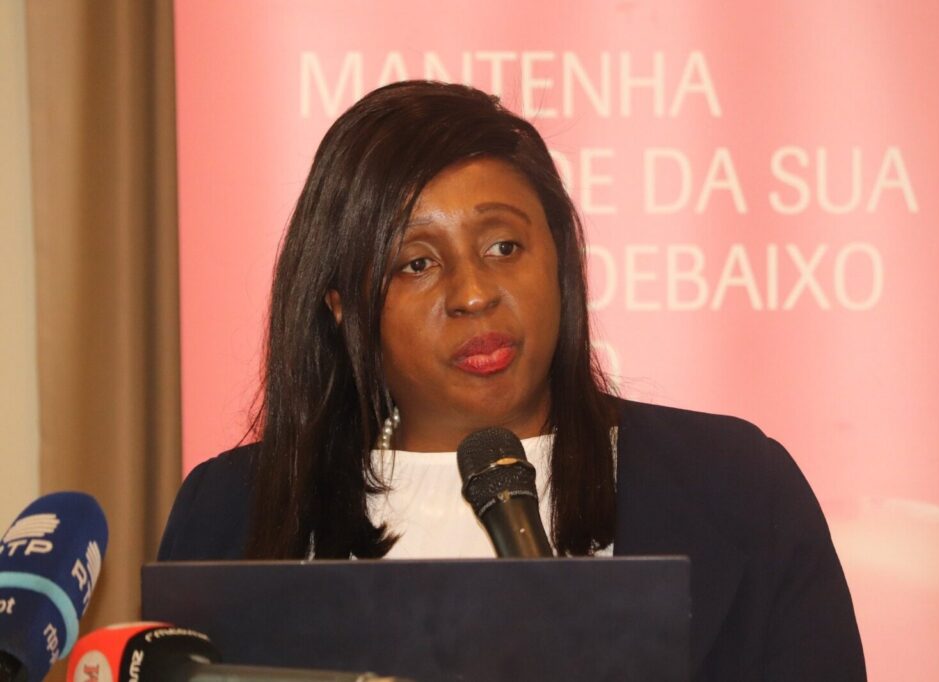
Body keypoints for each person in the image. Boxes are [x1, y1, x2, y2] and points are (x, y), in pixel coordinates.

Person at [158, 80, 866, 680]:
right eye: (416, 263)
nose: (473, 293)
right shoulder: (227, 512)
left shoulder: (734, 487)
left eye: (503, 246)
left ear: (559, 260)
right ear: (343, 307)